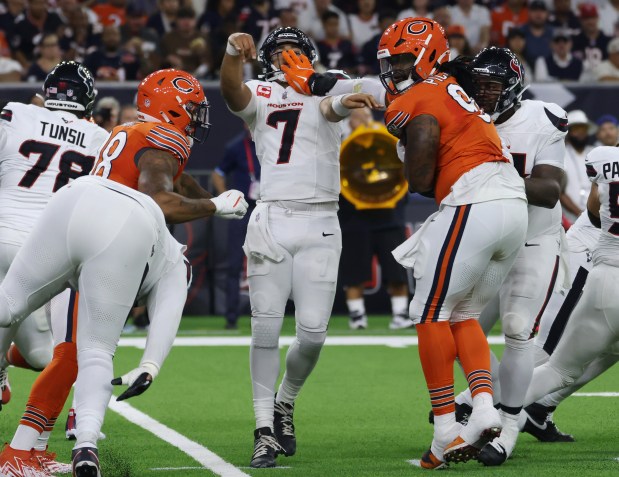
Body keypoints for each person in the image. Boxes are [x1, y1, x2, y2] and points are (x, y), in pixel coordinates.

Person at [0, 68, 249, 477]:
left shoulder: (125, 131)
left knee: (23, 320)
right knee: (87, 351)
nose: (198, 119)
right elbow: (161, 196)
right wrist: (216, 207)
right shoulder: (161, 147)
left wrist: (215, 198)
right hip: (111, 231)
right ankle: (69, 447)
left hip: (66, 208)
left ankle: (29, 448)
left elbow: (174, 180)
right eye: (191, 109)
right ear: (172, 108)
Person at [220, 26, 378, 468]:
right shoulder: (261, 90)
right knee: (265, 329)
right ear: (268, 58)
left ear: (309, 55)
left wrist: (342, 95)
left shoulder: (327, 82)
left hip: (322, 220)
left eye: (295, 51)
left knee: (312, 333)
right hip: (271, 216)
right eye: (280, 52)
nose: (287, 57)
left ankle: (285, 401)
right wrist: (233, 52)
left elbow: (338, 103)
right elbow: (232, 92)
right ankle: (263, 429)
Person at [376, 20, 527, 469]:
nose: (395, 68)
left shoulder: (419, 97)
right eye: (392, 60)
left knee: (427, 313)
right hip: (510, 204)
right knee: (463, 314)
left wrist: (407, 151)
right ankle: (482, 410)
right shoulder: (448, 85)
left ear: (425, 55)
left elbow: (421, 180)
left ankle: (445, 427)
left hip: (473, 200)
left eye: (403, 58)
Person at [453, 47, 567, 466]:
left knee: (519, 330)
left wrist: (487, 175)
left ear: (512, 87)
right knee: (453, 330)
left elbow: (548, 190)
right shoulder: (460, 115)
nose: (483, 92)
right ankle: (484, 403)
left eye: (492, 84)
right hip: (483, 241)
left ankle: (510, 424)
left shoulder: (541, 119)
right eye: (478, 83)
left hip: (532, 240)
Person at [0, 61, 109, 476]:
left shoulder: (17, 112)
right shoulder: (100, 137)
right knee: (61, 354)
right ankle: (24, 450)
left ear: (46, 94)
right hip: (45, 252)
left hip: (2, 234)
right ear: (88, 102)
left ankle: (3, 368)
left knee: (42, 351)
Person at [523, 146, 619, 425]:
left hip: (604, 259)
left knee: (612, 349)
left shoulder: (606, 157)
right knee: (548, 350)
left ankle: (540, 408)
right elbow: (594, 211)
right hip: (590, 253)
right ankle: (473, 403)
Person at [338, 107, 413, 331]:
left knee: (396, 270)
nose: (361, 119)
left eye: (365, 115)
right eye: (356, 116)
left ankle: (400, 314)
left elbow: (403, 168)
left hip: (388, 216)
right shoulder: (340, 143)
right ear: (348, 122)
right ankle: (357, 316)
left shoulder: (387, 139)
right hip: (354, 217)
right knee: (355, 271)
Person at [212, 125, 261, 329]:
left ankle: (267, 315)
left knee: (269, 262)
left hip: (267, 209)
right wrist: (226, 200)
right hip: (243, 211)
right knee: (234, 264)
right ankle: (231, 317)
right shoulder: (236, 147)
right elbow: (217, 173)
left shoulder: (271, 142)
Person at [561, 110, 595, 223]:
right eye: (576, 129)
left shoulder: (595, 153)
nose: (580, 133)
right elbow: (560, 192)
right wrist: (580, 214)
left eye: (583, 129)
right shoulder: (561, 153)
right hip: (569, 220)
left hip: (596, 220)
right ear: (569, 132)